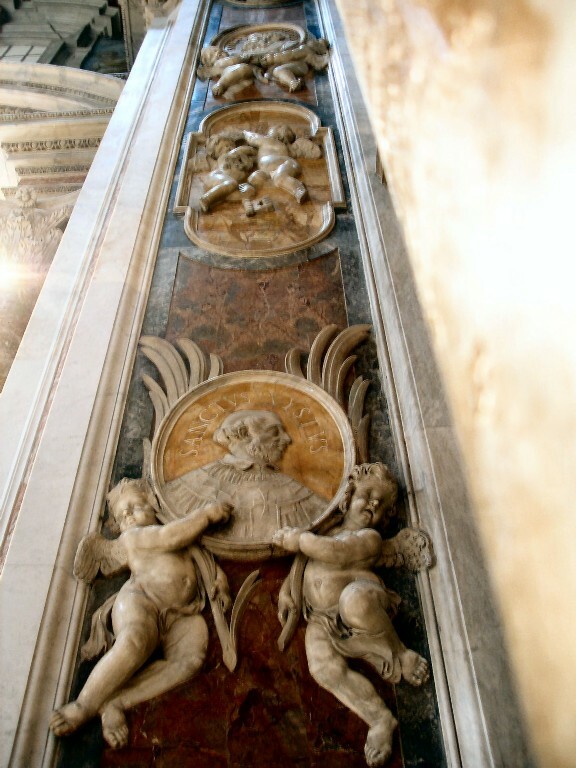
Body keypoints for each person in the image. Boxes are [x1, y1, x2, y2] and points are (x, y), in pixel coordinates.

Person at [50, 478, 231, 749]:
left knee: (189, 661)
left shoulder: (185, 537)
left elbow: (206, 564)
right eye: (122, 516)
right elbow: (170, 536)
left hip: (180, 613)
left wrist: (221, 585)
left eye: (134, 507)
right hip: (141, 601)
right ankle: (83, 705)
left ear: (153, 503)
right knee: (134, 641)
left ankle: (116, 702)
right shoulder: (135, 537)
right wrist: (205, 515)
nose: (129, 517)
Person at [273, 463, 429, 767]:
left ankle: (400, 654)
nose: (373, 504)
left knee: (354, 600)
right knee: (323, 668)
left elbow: (337, 552)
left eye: (381, 505)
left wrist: (300, 539)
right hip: (321, 618)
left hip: (362, 604)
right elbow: (304, 564)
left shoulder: (369, 539)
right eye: (368, 495)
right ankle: (379, 718)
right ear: (347, 497)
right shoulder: (327, 530)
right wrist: (287, 592)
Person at [164, 410, 328, 544]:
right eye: (275, 432)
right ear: (246, 435)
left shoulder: (293, 487)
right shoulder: (193, 483)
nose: (287, 439)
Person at [242, 125, 320, 203]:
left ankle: (298, 188)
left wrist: (243, 132)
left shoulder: (268, 140)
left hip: (286, 163)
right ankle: (248, 193)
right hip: (269, 172)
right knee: (255, 177)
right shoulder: (286, 148)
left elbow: (252, 137)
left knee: (280, 178)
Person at [199, 144, 257, 213]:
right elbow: (242, 150)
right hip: (215, 177)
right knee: (232, 183)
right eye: (240, 160)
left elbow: (243, 186)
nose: (240, 164)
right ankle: (206, 199)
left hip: (224, 188)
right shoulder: (225, 157)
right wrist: (254, 151)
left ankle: (248, 206)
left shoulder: (243, 174)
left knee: (240, 193)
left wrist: (247, 189)